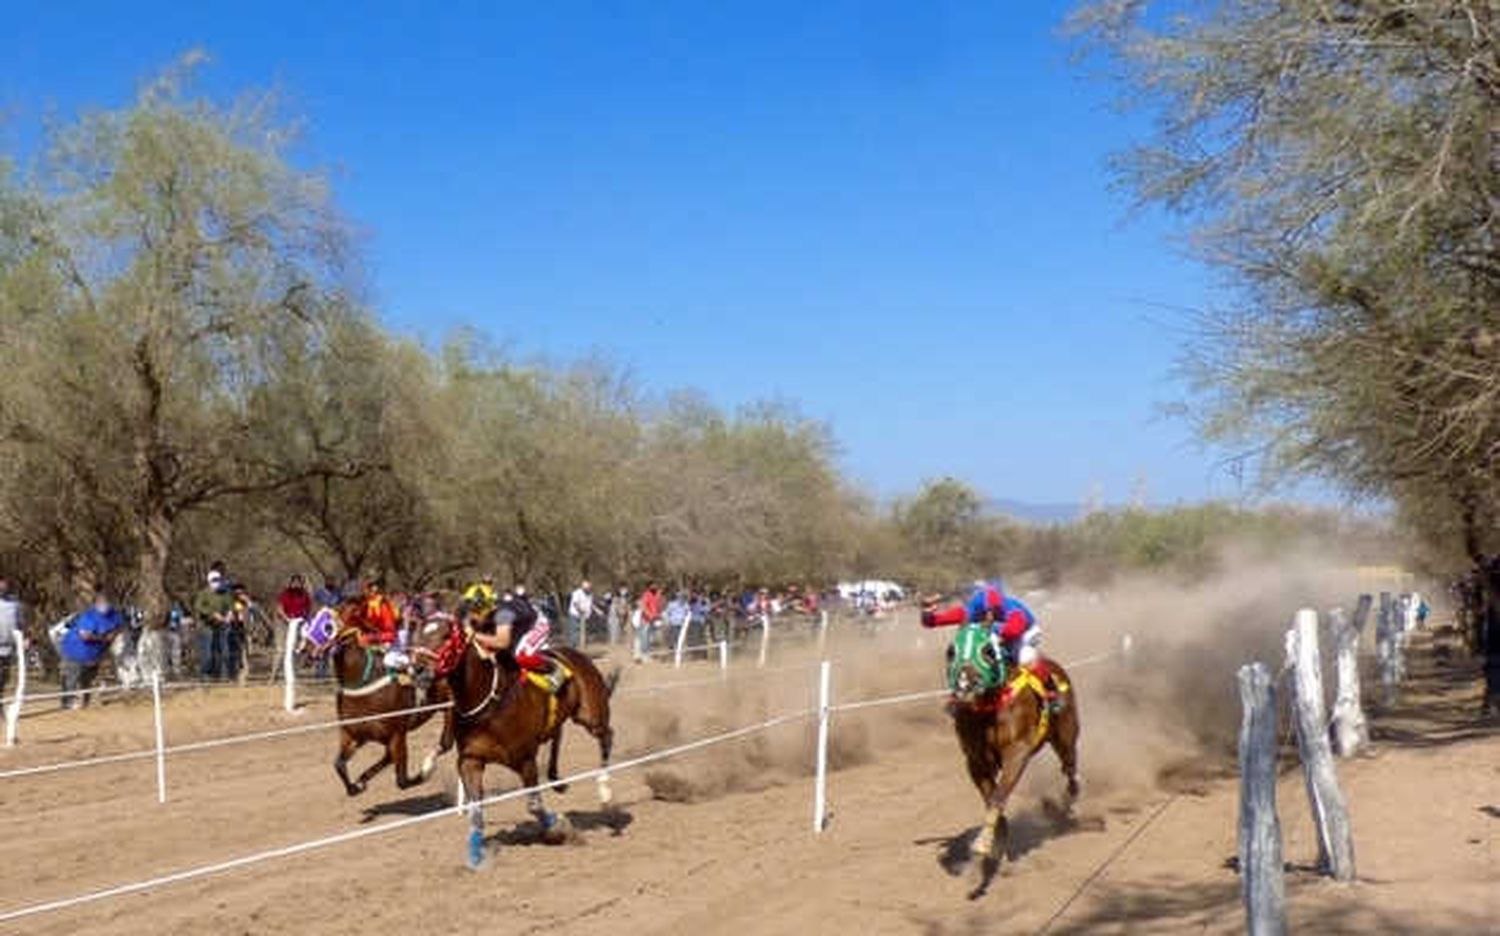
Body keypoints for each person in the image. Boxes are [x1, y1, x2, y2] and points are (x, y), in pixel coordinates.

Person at [922, 579, 1044, 675]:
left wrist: (994, 630)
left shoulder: (1012, 609)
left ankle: (1051, 691)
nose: (988, 615)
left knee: (1025, 657)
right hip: (1004, 635)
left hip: (1027, 632)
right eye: (985, 612)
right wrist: (927, 614)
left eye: (991, 611)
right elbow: (937, 620)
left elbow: (1014, 631)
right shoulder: (973, 609)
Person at [470, 590, 563, 692]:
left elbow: (503, 642)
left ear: (483, 610)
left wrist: (475, 635)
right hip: (521, 623)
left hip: (537, 623)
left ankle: (554, 668)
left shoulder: (502, 615)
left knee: (521, 656)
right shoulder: (489, 614)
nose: (472, 618)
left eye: (475, 614)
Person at [59, 589, 123, 709]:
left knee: (88, 678)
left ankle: (86, 700)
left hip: (95, 653)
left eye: (107, 602)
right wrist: (103, 638)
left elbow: (119, 626)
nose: (105, 605)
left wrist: (113, 634)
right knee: (71, 677)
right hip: (75, 650)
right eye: (102, 603)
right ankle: (67, 702)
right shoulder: (89, 617)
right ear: (96, 604)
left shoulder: (114, 615)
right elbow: (85, 635)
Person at [193, 569, 236, 679]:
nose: (217, 582)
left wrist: (230, 614)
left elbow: (231, 605)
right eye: (214, 580)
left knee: (224, 651)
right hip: (206, 626)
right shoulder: (204, 593)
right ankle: (205, 673)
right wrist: (212, 614)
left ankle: (224, 674)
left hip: (222, 626)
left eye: (218, 580)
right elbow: (199, 607)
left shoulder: (225, 593)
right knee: (208, 653)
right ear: (209, 581)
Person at [0, 577, 23, 707]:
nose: (2, 589)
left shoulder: (16, 605)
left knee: (4, 678)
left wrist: (25, 638)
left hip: (8, 649)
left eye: (4, 587)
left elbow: (20, 624)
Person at [635, 582, 663, 662]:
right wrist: (649, 615)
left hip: (654, 620)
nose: (655, 586)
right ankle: (643, 655)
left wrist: (658, 615)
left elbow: (658, 607)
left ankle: (647, 653)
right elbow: (643, 606)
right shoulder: (646, 595)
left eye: (656, 585)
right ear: (649, 586)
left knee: (651, 638)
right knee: (644, 637)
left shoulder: (657, 595)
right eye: (653, 585)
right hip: (645, 620)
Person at [568, 579, 594, 648]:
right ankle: (572, 648)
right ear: (583, 587)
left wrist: (598, 611)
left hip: (585, 616)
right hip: (575, 615)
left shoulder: (590, 594)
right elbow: (575, 604)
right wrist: (581, 611)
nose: (588, 589)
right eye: (586, 588)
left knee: (584, 633)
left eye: (589, 587)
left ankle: (583, 647)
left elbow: (591, 605)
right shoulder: (577, 593)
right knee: (574, 632)